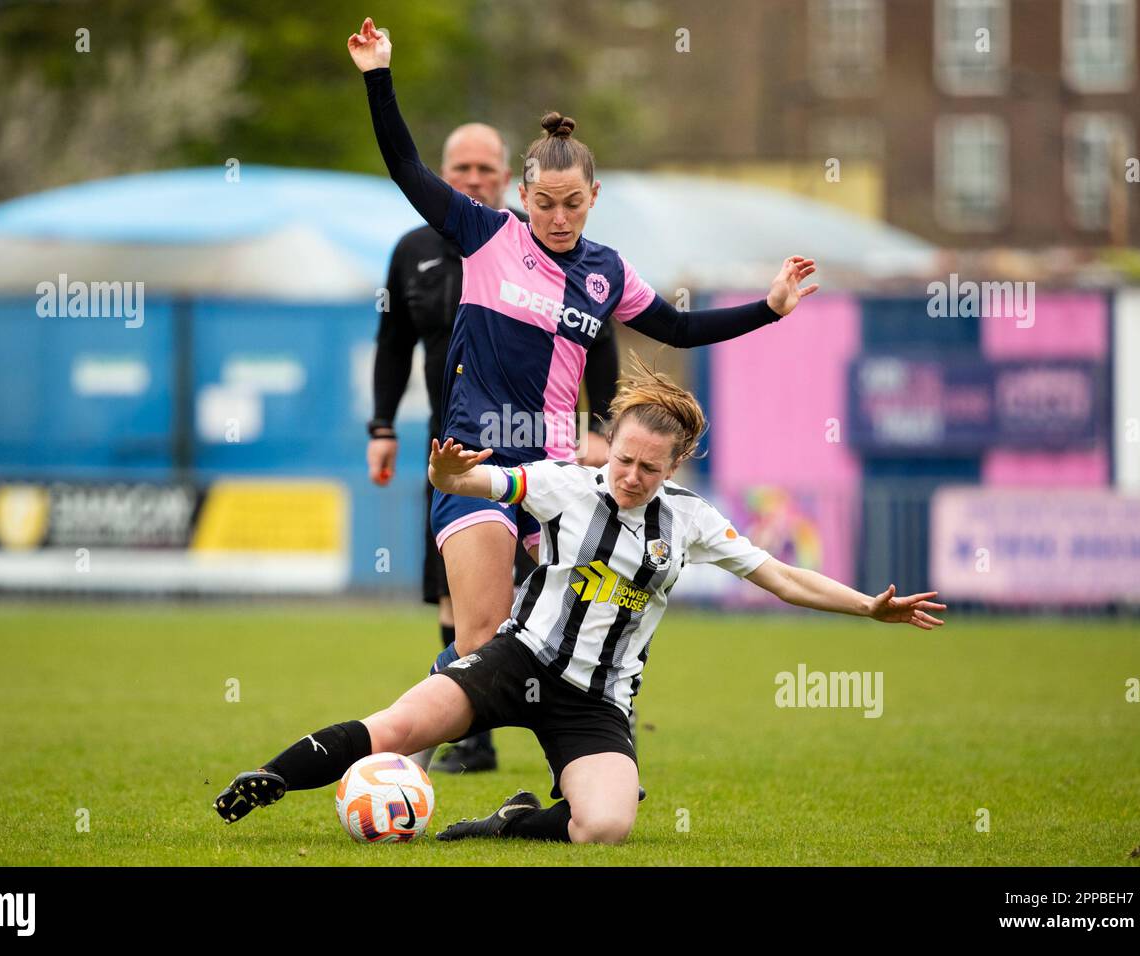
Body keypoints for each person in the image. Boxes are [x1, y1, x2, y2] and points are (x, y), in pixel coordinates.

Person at [214, 357, 947, 844]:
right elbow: (484, 486)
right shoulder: (569, 482)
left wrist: (866, 607)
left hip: (596, 699)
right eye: (623, 458)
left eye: (648, 467)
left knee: (606, 829)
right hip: (513, 659)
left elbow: (782, 576)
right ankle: (273, 777)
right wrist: (447, 474)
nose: (630, 475)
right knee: (399, 725)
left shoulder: (690, 519)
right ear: (611, 446)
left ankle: (504, 826)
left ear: (675, 465)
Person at [346, 18, 821, 691]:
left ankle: (571, 777)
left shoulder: (607, 273)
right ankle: (401, 753)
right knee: (479, 637)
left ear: (594, 197)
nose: (559, 218)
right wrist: (378, 75)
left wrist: (767, 309)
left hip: (555, 475)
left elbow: (678, 330)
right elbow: (404, 167)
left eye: (573, 204)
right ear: (521, 197)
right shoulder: (484, 234)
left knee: (563, 643)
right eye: (543, 204)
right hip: (477, 459)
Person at [367, 119, 619, 774]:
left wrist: (605, 429)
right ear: (446, 176)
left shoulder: (533, 242)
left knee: (559, 603)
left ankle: (581, 751)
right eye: (462, 170)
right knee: (464, 606)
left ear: (510, 178)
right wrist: (382, 427)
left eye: (486, 169)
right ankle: (459, 736)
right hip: (452, 445)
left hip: (543, 454)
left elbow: (597, 335)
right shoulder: (413, 248)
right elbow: (392, 344)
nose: (474, 179)